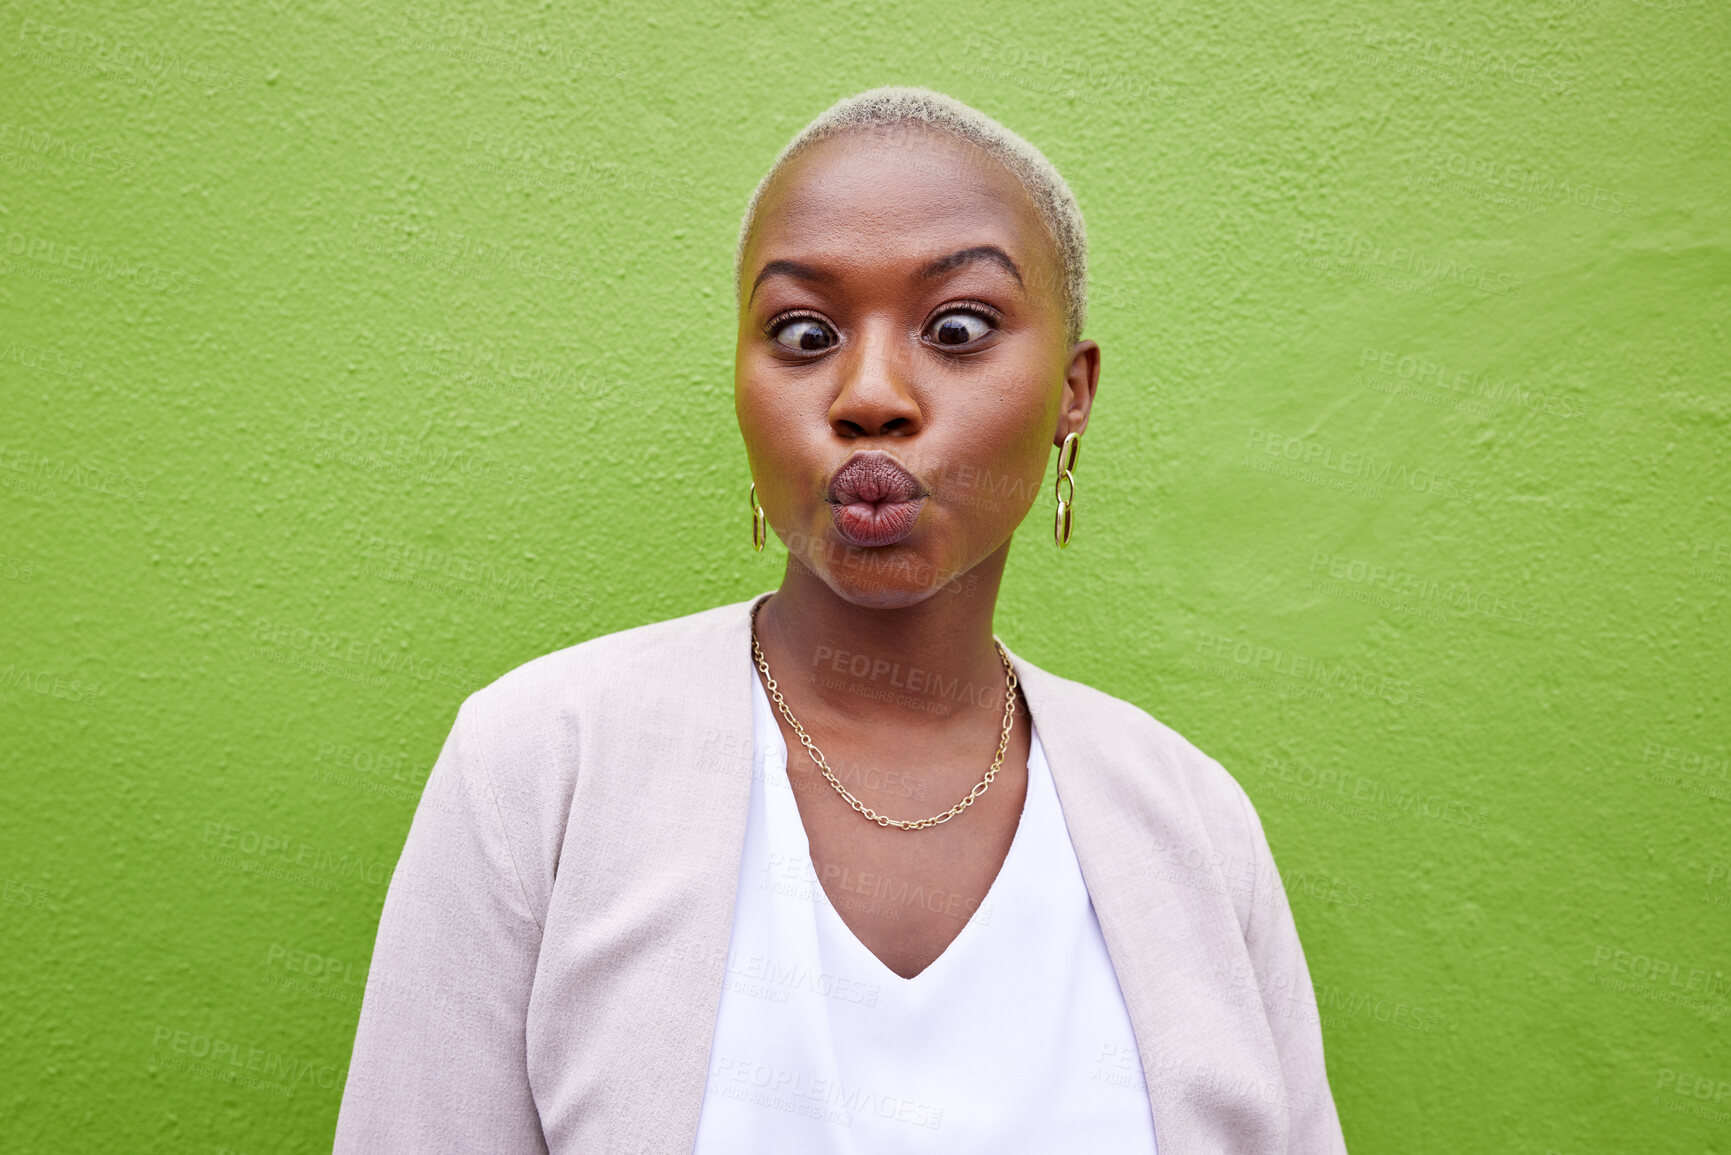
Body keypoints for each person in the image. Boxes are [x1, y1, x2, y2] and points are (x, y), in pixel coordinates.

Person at [334, 86, 1347, 1154]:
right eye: (804, 333)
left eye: (957, 328)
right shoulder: (542, 766)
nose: (869, 393)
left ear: (1073, 393)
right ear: (741, 383)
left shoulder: (1192, 826)